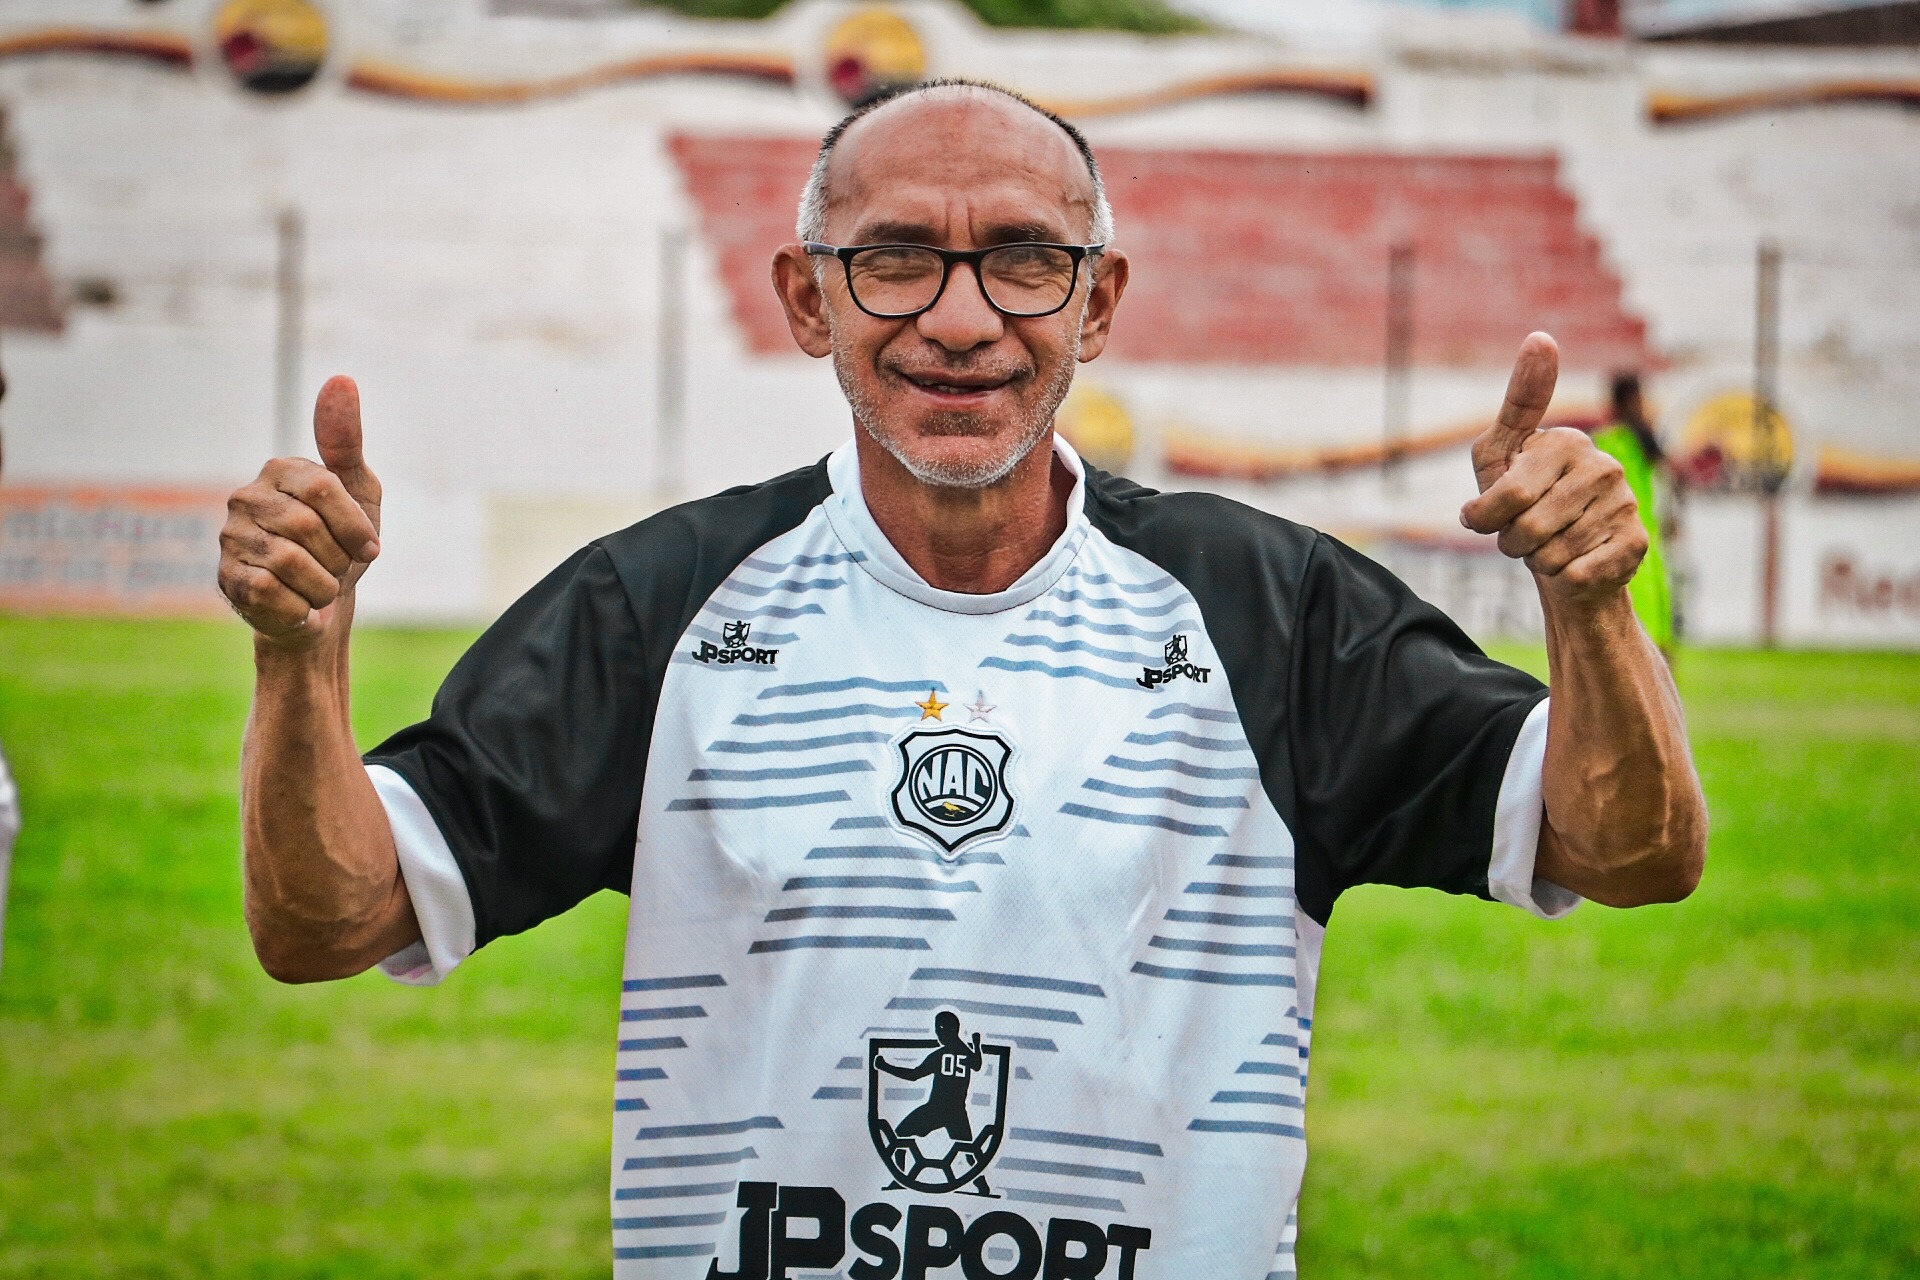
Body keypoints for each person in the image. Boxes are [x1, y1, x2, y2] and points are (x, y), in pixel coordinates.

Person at [217, 81, 1706, 1277]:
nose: (959, 315)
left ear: (1097, 301)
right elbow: (327, 920)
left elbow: (1630, 852)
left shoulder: (1272, 610)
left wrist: (1590, 615)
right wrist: (302, 663)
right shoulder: (658, 607)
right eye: (894, 259)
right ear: (809, 300)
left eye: (1022, 257)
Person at [1591, 372, 1675, 657]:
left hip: (1620, 544)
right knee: (1653, 636)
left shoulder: (1605, 441)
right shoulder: (1638, 439)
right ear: (1632, 400)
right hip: (1643, 549)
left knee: (1636, 634)